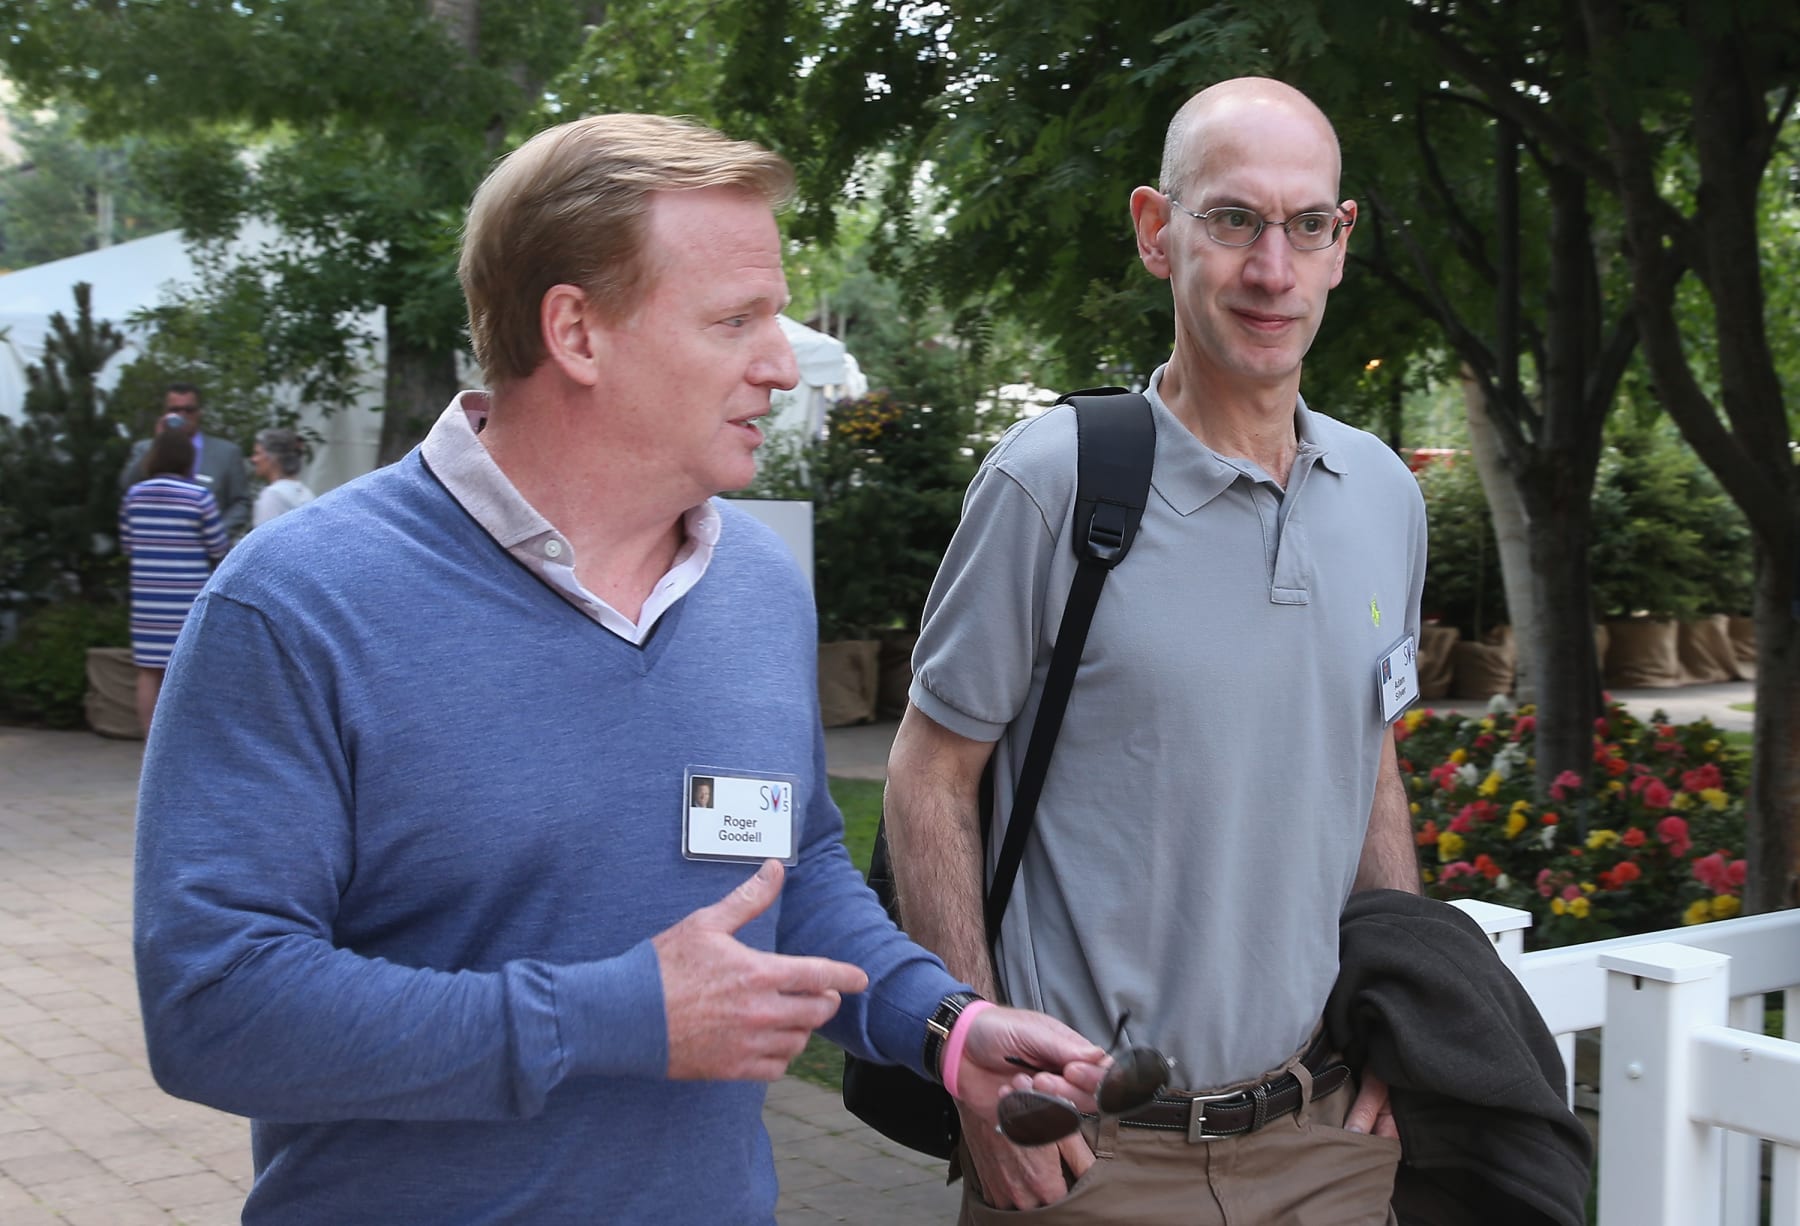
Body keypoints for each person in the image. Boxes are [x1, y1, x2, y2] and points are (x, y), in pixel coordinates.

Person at [131, 113, 1109, 1226]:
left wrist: (945, 1024)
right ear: (577, 333)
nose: (782, 362)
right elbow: (212, 1007)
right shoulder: (296, 602)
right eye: (736, 318)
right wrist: (609, 1016)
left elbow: (787, 868)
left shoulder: (756, 582)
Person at [884, 77, 1428, 1223]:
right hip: (1090, 1153)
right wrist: (984, 1075)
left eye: (1307, 226)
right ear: (1155, 230)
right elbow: (929, 775)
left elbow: (1369, 755)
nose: (1271, 269)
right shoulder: (1053, 482)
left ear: (1341, 243)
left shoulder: (1383, 492)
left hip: (1326, 1138)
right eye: (1232, 220)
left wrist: (1404, 1016)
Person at [118, 420, 230, 735]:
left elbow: (128, 543)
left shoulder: (134, 496)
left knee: (148, 672)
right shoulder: (198, 497)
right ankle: (186, 740)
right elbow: (218, 546)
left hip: (147, 598)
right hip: (186, 598)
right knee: (188, 670)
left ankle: (148, 743)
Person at [121, 383, 251, 539]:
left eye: (189, 410)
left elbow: (241, 502)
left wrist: (215, 534)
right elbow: (127, 485)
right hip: (155, 546)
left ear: (199, 413)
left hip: (208, 552)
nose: (182, 416)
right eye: (175, 410)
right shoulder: (145, 448)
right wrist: (159, 443)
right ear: (165, 414)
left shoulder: (227, 453)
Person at [249, 427, 316, 527]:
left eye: (258, 453)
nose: (253, 459)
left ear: (272, 458)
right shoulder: (305, 492)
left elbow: (265, 539)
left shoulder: (272, 496)